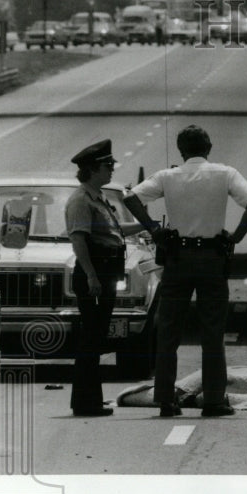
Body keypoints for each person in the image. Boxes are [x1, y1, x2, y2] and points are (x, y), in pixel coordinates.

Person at [125, 125, 247, 417]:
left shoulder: (167, 176)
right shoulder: (225, 173)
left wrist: (154, 228)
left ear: (181, 151)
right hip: (212, 257)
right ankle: (213, 398)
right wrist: (236, 236)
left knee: (169, 330)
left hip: (177, 258)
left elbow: (131, 198)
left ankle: (165, 398)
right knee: (212, 331)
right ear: (208, 147)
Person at [65, 139, 145, 416]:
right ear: (92, 169)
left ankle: (90, 401)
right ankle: (85, 403)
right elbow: (79, 240)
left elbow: (114, 231)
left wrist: (146, 223)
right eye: (107, 165)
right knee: (91, 338)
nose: (111, 170)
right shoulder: (80, 200)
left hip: (106, 273)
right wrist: (91, 276)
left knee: (96, 339)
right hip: (95, 274)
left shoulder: (98, 197)